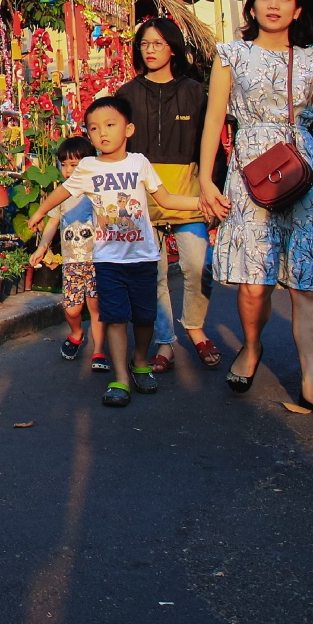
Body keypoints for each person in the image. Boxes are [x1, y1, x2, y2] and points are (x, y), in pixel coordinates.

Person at [199, 0, 313, 418]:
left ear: (297, 8)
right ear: (251, 7)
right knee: (253, 285)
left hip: (303, 172)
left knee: (307, 284)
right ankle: (251, 348)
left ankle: (311, 384)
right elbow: (214, 119)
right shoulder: (231, 55)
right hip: (249, 170)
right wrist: (206, 181)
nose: (273, 4)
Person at [28, 97, 204, 408]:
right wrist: (41, 211)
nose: (102, 133)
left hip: (143, 257)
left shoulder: (139, 163)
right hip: (108, 260)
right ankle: (121, 377)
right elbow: (63, 190)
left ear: (129, 129)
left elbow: (165, 199)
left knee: (145, 317)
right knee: (116, 318)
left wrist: (202, 203)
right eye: (94, 128)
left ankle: (140, 362)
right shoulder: (88, 167)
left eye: (110, 125)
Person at [115, 16, 217, 371]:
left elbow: (210, 143)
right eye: (145, 43)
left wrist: (212, 187)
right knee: (152, 275)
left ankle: (195, 328)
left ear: (172, 48)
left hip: (188, 191)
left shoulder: (195, 91)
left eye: (158, 43)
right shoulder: (126, 93)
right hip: (140, 197)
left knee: (198, 265)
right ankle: (164, 343)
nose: (151, 50)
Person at [29, 136, 102, 364]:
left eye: (75, 164)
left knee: (97, 307)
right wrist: (42, 247)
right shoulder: (61, 194)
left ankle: (99, 349)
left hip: (96, 260)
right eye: (65, 164)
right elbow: (52, 223)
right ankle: (77, 333)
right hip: (72, 262)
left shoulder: (95, 192)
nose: (69, 170)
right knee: (72, 309)